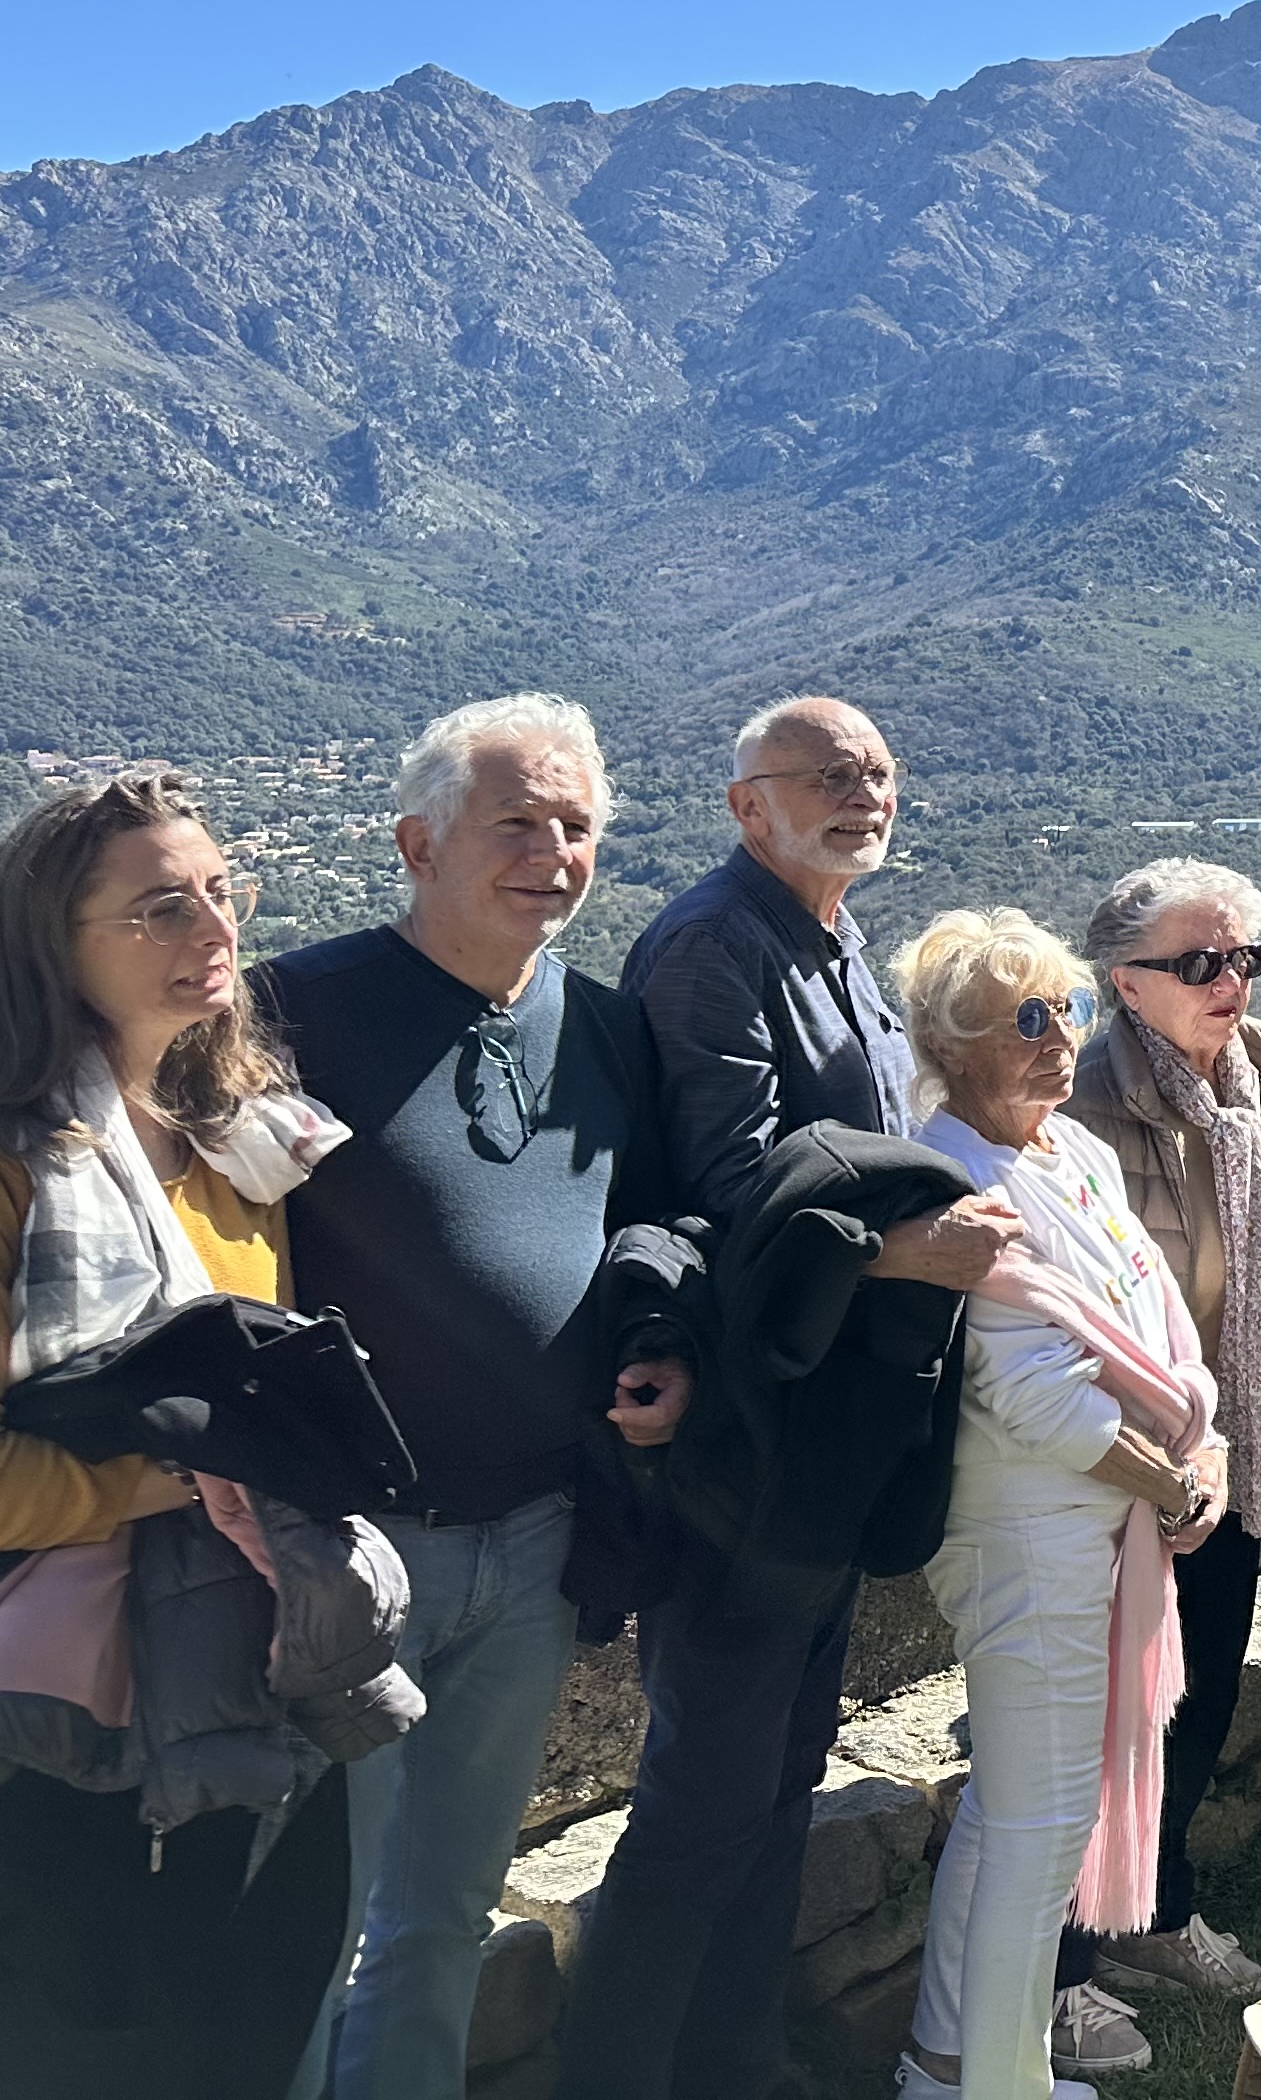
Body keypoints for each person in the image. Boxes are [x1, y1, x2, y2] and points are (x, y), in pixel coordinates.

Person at [563, 696, 1017, 2100]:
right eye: (826, 774)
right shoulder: (715, 944)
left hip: (823, 1433)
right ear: (746, 803)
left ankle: (734, 2064)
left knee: (775, 1790)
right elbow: (727, 1176)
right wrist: (901, 1249)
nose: (861, 792)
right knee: (704, 1804)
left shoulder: (836, 940)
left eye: (877, 771)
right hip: (743, 1442)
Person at [252, 697, 685, 2100]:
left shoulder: (604, 1025)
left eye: (576, 826)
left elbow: (652, 1226)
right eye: (517, 820)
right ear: (415, 843)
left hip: (538, 1541)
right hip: (352, 1555)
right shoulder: (290, 1011)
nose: (553, 851)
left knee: (441, 1917)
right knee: (308, 1929)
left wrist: (665, 1357)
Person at [0, 769, 362, 2097]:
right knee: (82, 2047)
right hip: (60, 1720)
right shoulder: (20, 1161)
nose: (212, 930)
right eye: (159, 908)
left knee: (246, 2029)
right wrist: (177, 1483)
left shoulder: (236, 1139)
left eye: (220, 892)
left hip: (247, 1670)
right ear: (54, 944)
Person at [893, 911, 1225, 2100]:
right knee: (1042, 1833)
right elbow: (1031, 1393)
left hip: (1100, 1529)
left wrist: (1208, 1440)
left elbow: (1159, 1316)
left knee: (1010, 1813)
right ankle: (1002, 2082)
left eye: (1066, 1012)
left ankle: (944, 2063)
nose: (1056, 1041)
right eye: (1024, 1020)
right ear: (950, 1041)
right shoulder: (950, 1174)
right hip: (1030, 1541)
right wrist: (1168, 1477)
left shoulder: (1067, 1154)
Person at [1054, 858, 1261, 2024]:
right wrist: (1156, 1453)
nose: (1230, 979)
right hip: (1138, 1467)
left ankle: (1157, 1907)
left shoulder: (1250, 1083)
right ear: (1124, 983)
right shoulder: (1088, 1106)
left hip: (1242, 1448)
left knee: (1200, 1696)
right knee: (1114, 1716)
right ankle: (1070, 1958)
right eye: (1199, 962)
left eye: (1244, 957)